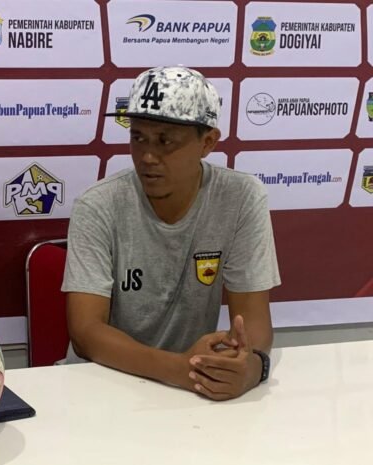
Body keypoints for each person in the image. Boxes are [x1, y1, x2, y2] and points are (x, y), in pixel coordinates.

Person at [63, 66, 280, 400]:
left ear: (208, 142)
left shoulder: (241, 198)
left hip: (189, 389)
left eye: (165, 141)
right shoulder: (97, 205)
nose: (147, 157)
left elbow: (253, 320)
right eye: (138, 138)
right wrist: (179, 368)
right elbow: (86, 333)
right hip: (102, 384)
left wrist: (251, 367)